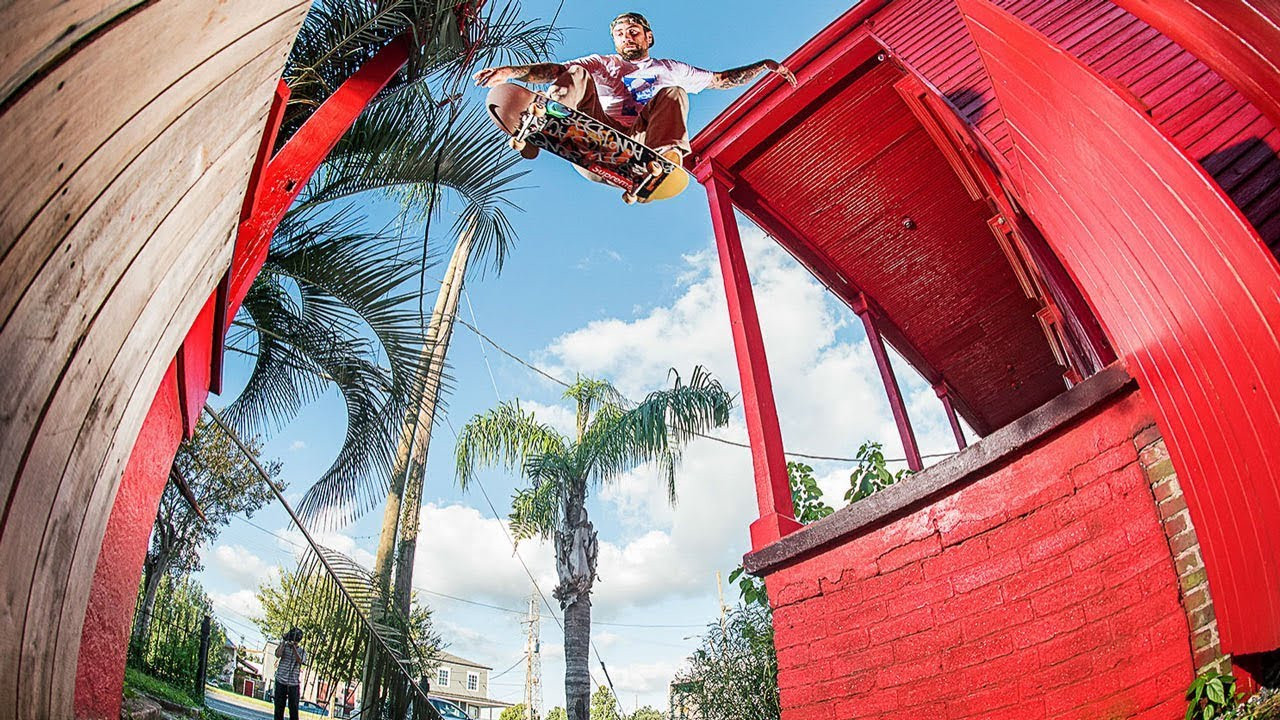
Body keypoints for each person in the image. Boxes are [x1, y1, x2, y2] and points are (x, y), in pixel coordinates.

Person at [473, 11, 797, 168]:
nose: (627, 37)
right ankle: (543, 125)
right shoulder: (602, 62)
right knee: (576, 72)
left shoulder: (670, 68)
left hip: (639, 145)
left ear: (647, 37)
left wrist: (763, 66)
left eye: (633, 32)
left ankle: (664, 161)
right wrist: (511, 72)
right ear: (614, 41)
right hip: (593, 131)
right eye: (620, 34)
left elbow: (720, 80)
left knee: (673, 92)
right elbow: (556, 72)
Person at [273, 627, 307, 720]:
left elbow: (300, 660)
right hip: (281, 680)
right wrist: (284, 641)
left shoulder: (302, 651)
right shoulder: (284, 647)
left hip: (293, 683)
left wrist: (294, 648)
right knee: (279, 708)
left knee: (294, 709)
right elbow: (278, 654)